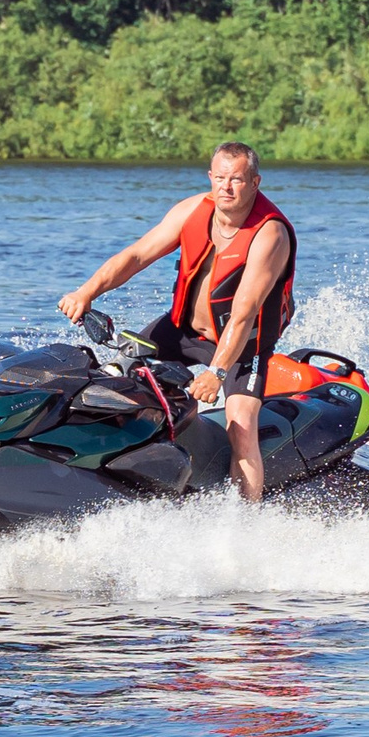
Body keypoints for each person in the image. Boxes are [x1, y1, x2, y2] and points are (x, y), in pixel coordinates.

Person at [59, 142, 296, 500]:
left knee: (241, 425)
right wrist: (86, 292)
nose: (226, 188)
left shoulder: (270, 234)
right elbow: (137, 255)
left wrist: (216, 373)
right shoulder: (191, 211)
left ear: (255, 182)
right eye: (220, 178)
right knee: (111, 378)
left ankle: (248, 520)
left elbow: (245, 312)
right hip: (180, 331)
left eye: (236, 180)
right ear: (210, 178)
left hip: (243, 347)